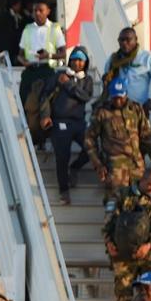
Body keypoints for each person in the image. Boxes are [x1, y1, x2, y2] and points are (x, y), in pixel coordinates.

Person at [102, 167, 151, 301]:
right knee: (123, 291)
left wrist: (148, 245)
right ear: (142, 180)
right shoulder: (121, 194)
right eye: (150, 184)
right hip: (122, 251)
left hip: (148, 252)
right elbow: (109, 220)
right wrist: (109, 242)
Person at [85, 76, 151, 201]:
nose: (118, 101)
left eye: (120, 97)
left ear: (126, 94)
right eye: (115, 98)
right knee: (115, 205)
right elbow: (89, 139)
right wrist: (98, 164)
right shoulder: (102, 112)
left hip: (137, 168)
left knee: (142, 204)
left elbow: (147, 136)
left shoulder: (136, 109)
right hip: (115, 170)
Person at [39, 46, 95, 204]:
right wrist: (45, 116)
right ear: (70, 61)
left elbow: (85, 97)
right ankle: (64, 191)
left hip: (79, 123)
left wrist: (69, 84)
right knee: (62, 156)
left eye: (81, 60)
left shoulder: (88, 80)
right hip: (60, 123)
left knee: (92, 149)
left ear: (86, 63)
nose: (77, 63)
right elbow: (45, 96)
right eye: (75, 59)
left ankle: (75, 168)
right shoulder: (59, 75)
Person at [17, 0, 66, 130]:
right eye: (35, 10)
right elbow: (19, 54)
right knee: (24, 101)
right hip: (30, 70)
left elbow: (63, 53)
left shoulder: (55, 28)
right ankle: (27, 131)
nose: (37, 13)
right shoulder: (27, 29)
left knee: (45, 104)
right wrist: (24, 62)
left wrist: (48, 55)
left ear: (48, 11)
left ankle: (44, 133)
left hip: (47, 69)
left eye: (40, 10)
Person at [102, 27, 151, 116]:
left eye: (128, 40)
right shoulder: (113, 59)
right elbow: (106, 80)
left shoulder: (148, 58)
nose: (124, 43)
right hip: (117, 111)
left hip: (138, 110)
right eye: (121, 40)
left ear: (136, 39)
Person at [0, 0, 28, 65]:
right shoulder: (7, 17)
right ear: (14, 5)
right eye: (19, 4)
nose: (20, 6)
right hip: (8, 46)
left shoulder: (18, 16)